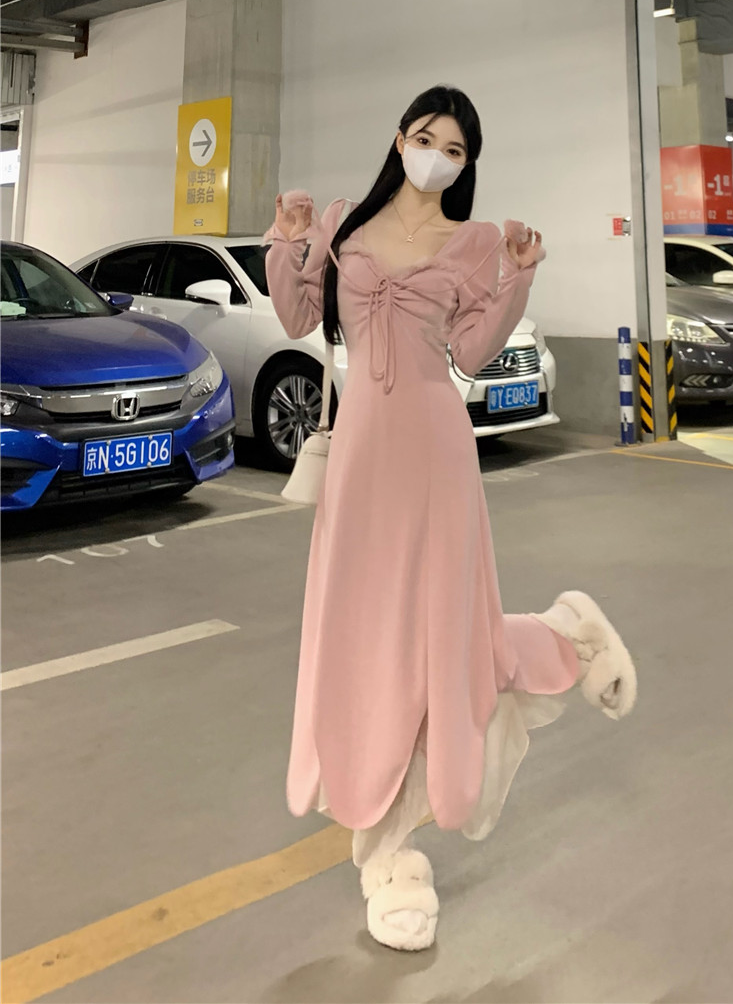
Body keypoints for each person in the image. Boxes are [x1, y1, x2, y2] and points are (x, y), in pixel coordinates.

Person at [263, 85, 637, 952]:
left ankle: (390, 855)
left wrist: (519, 275)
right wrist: (286, 241)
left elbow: (469, 352)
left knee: (441, 633)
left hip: (435, 450)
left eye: (455, 149)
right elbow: (296, 315)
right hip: (361, 457)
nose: (437, 155)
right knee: (365, 636)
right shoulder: (344, 222)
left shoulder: (473, 243)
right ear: (400, 140)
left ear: (467, 165)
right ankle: (565, 637)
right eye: (427, 137)